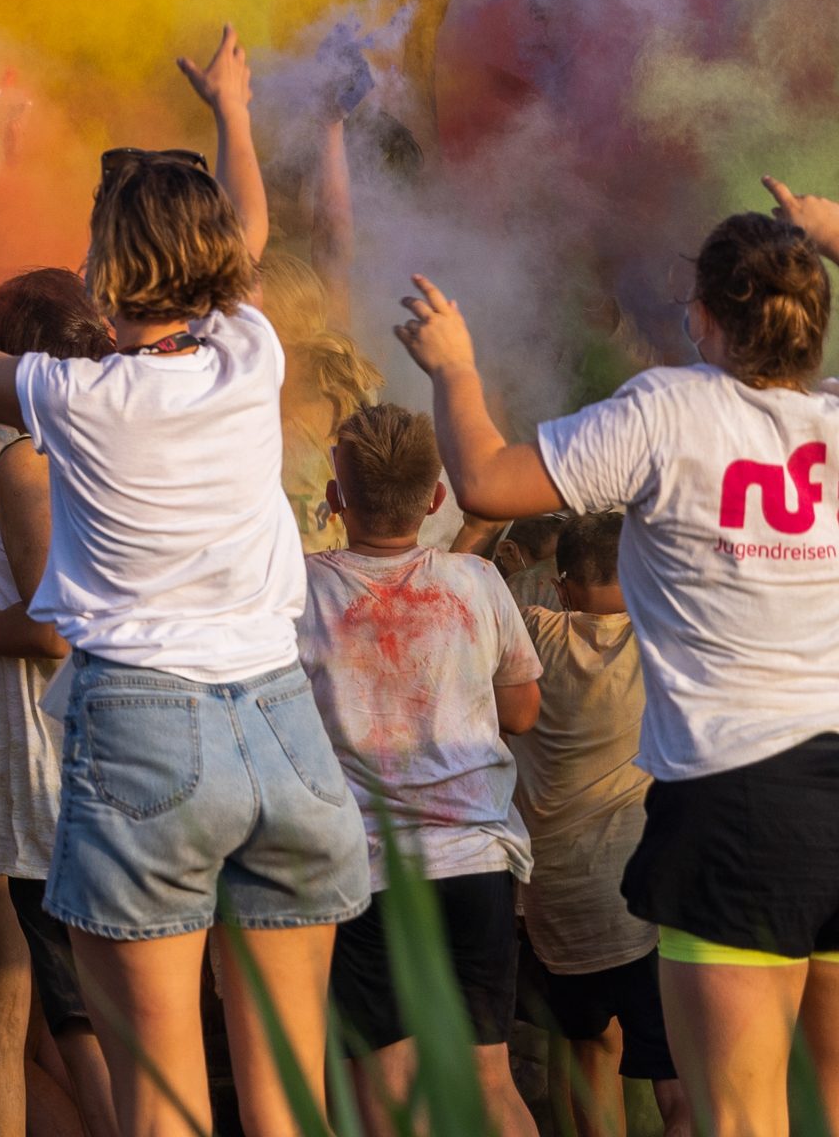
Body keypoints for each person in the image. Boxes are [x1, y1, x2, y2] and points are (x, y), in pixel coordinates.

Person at [0, 33, 365, 1137]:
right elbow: (251, 232)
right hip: (285, 725)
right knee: (289, 1098)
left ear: (105, 270)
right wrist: (233, 110)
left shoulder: (78, 397)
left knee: (163, 1101)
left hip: (147, 728)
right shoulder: (253, 353)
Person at [396, 183, 839, 1137]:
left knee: (737, 1116)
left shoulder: (671, 410)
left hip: (738, 804)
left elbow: (485, 481)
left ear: (706, 318)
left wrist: (454, 367)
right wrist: (829, 232)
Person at [294, 403, 541, 1137]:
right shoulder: (476, 582)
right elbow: (523, 712)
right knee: (491, 1084)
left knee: (389, 1095)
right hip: (473, 865)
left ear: (335, 499)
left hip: (365, 873)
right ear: (437, 497)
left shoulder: (301, 591)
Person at [0, 275, 116, 1137]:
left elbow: (54, 628)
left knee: (77, 1014)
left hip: (56, 772)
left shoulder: (32, 457)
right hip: (122, 757)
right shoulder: (124, 446)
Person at [510, 514, 685, 1137]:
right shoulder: (663, 639)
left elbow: (466, 587)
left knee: (591, 1055)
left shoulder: (529, 634)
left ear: (560, 589)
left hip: (562, 909)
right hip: (646, 905)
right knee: (678, 1082)